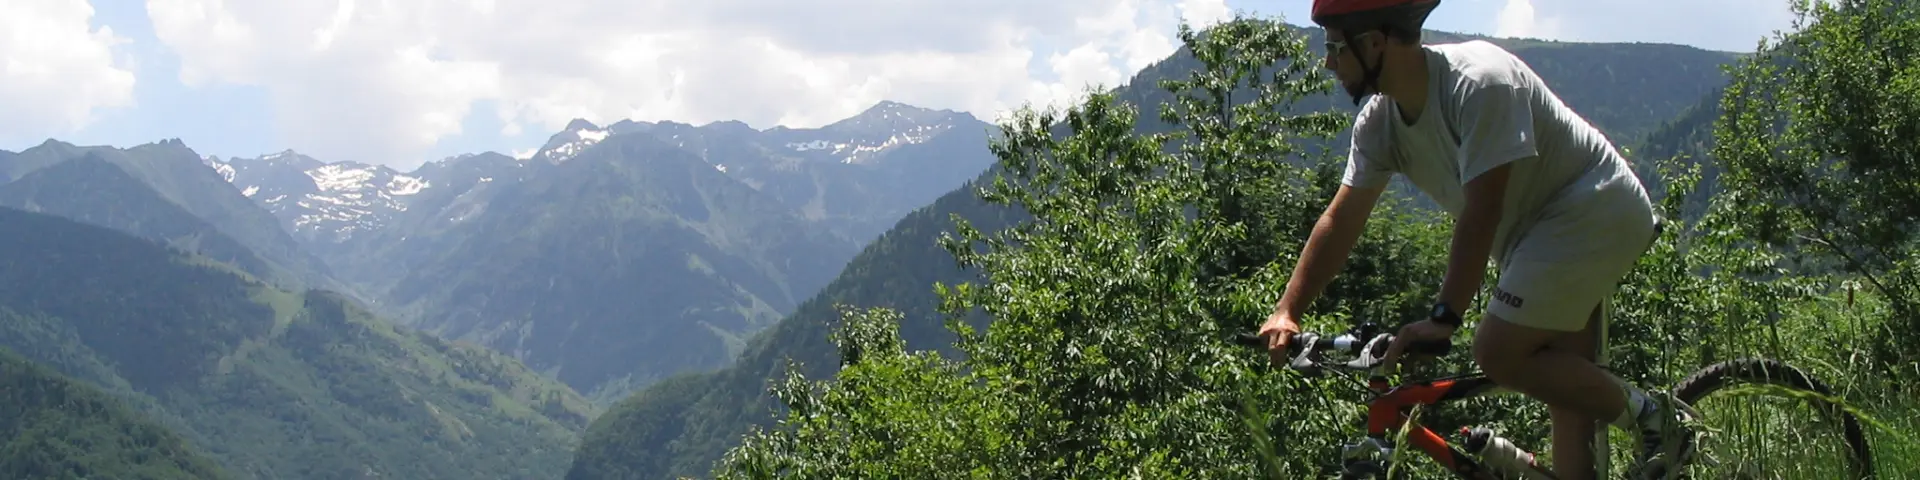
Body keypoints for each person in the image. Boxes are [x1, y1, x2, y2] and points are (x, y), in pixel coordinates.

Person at [1254, 0, 1696, 478]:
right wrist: (1288, 310)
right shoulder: (1379, 124)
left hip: (1591, 210)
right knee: (1568, 397)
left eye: (1336, 47)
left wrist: (1443, 317)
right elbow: (1342, 219)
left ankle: (1660, 422)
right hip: (1533, 243)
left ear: (1375, 43)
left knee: (1498, 352)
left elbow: (1483, 211)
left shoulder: (1480, 83)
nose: (1328, 62)